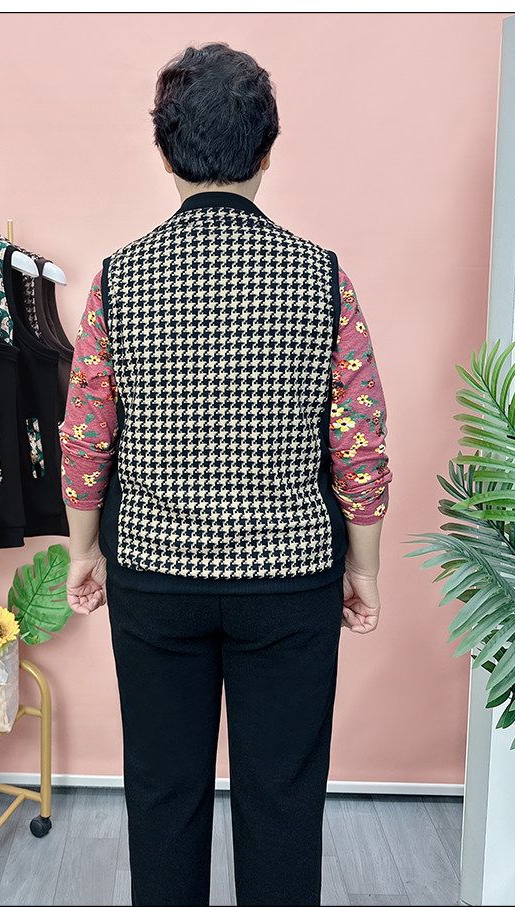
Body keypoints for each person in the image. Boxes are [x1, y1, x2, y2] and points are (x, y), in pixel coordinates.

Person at [59, 42, 391, 907]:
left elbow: (87, 435)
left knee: (161, 793)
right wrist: (363, 567)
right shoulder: (322, 277)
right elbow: (359, 440)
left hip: (155, 573)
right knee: (283, 799)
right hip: (290, 577)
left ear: (164, 151)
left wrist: (85, 550)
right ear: (267, 150)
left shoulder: (119, 278)